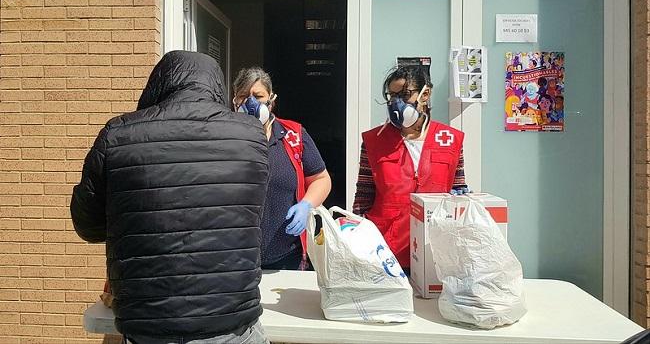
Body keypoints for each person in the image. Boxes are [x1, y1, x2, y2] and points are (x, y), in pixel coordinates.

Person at [70, 51, 270, 344]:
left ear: (158, 84)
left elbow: (87, 225)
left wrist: (133, 221)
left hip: (148, 326)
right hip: (230, 324)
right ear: (216, 86)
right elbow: (247, 218)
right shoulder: (250, 135)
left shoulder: (118, 135)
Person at [353, 65, 469, 270]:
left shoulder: (449, 140)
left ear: (425, 94)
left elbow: (459, 189)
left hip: (435, 250)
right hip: (385, 250)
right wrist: (358, 242)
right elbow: (363, 197)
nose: (397, 102)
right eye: (392, 95)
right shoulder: (374, 141)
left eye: (405, 94)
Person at [233, 67, 331, 270]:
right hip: (235, 257)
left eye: (258, 96)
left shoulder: (293, 134)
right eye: (243, 96)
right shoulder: (224, 137)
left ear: (271, 99)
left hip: (287, 256)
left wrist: (307, 204)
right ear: (234, 101)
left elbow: (321, 179)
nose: (250, 103)